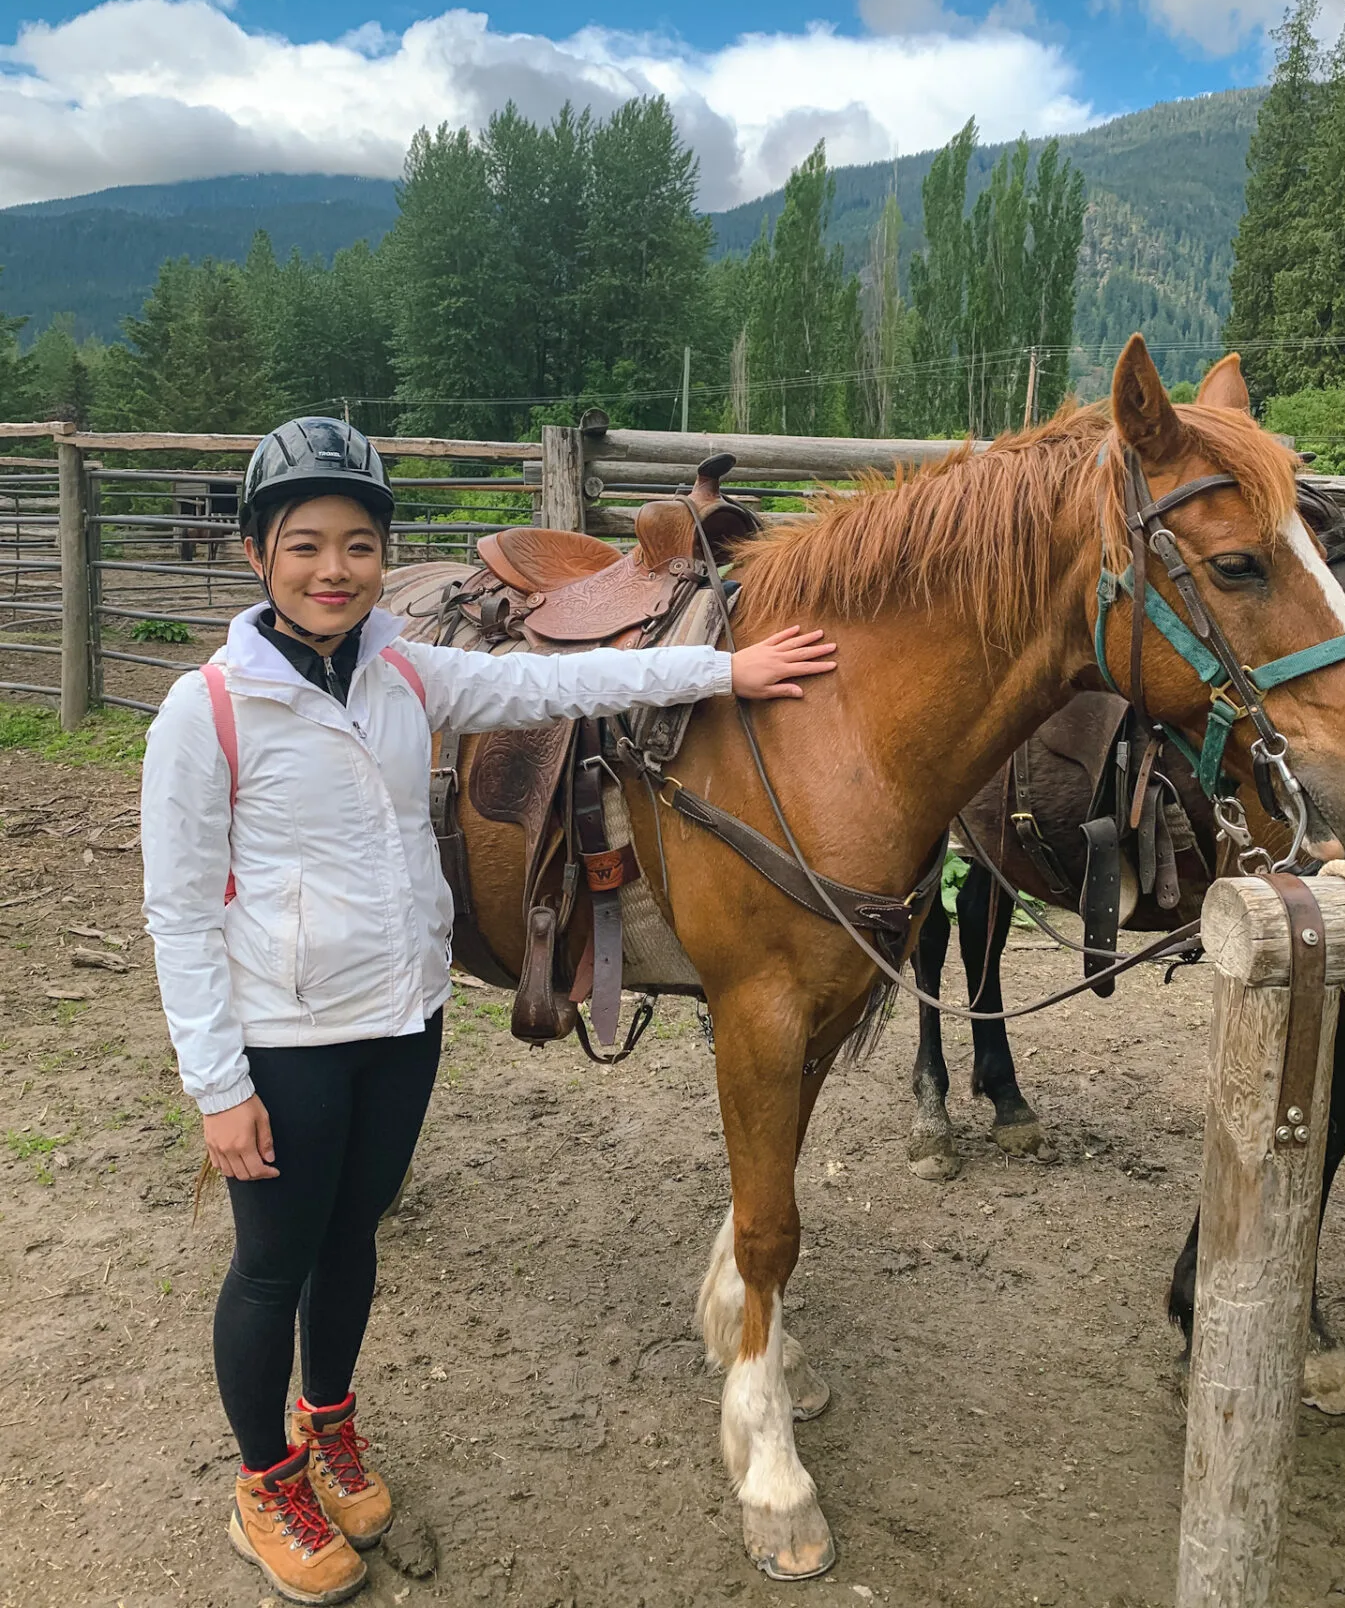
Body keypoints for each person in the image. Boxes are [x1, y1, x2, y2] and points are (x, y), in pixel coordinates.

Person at [140, 417, 836, 1606]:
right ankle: (265, 1479)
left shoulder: (404, 670)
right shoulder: (202, 716)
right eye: (305, 545)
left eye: (358, 546)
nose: (334, 570)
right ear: (259, 555)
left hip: (402, 1021)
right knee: (271, 1269)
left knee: (352, 1239)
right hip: (285, 1039)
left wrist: (729, 670)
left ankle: (331, 1425)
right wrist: (219, 1087)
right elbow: (179, 915)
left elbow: (564, 679)